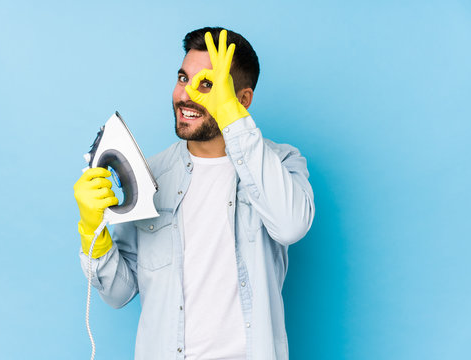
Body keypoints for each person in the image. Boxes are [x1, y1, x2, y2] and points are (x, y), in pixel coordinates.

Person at [74, 27, 315, 360]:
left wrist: (232, 117)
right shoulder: (151, 175)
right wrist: (92, 231)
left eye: (207, 85)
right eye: (183, 78)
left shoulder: (281, 162)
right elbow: (118, 293)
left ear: (242, 99)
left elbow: (291, 226)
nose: (186, 95)